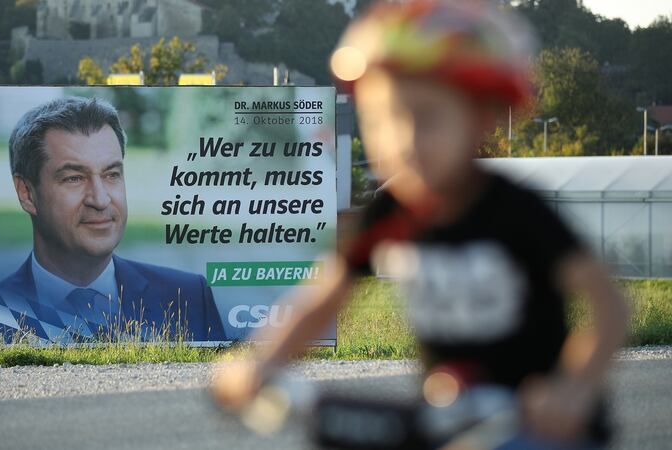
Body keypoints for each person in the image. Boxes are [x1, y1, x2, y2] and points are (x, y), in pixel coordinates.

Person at [210, 1, 629, 448]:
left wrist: (573, 388)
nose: (403, 140)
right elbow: (324, 297)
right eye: (382, 119)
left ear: (479, 118)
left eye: (426, 117)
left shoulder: (516, 211)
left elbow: (608, 307)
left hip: (537, 424)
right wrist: (263, 362)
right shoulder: (389, 211)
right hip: (448, 418)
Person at [0, 96, 225, 345]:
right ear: (27, 193)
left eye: (111, 174)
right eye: (73, 178)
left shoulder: (189, 296)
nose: (100, 199)